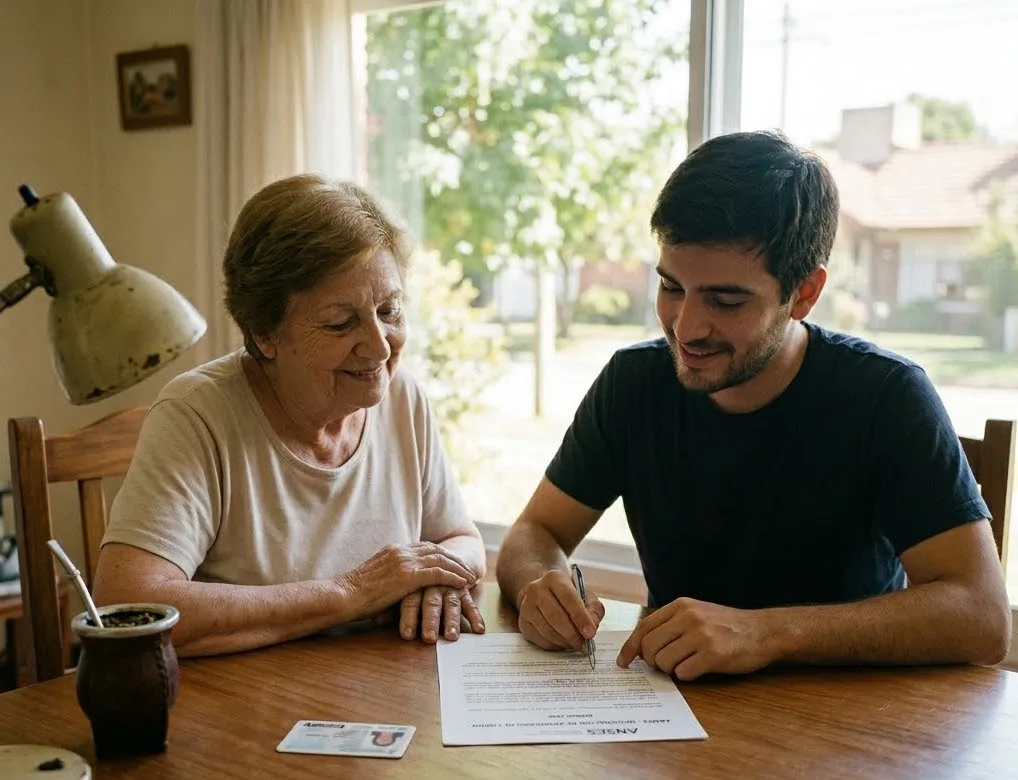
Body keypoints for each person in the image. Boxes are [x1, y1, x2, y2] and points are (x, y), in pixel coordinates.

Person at [496, 130, 1012, 681]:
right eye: (672, 287)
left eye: (725, 300)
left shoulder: (887, 396)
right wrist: (538, 584)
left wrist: (764, 633)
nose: (686, 328)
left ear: (805, 294)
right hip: (673, 720)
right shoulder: (633, 383)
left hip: (844, 728)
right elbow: (534, 534)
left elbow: (981, 617)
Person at [93, 174, 486, 656]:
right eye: (341, 323)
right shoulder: (198, 414)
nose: (380, 346)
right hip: (239, 706)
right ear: (264, 333)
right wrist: (353, 593)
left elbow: (460, 538)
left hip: (372, 694)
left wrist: (435, 578)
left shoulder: (403, 399)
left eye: (389, 310)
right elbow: (130, 605)